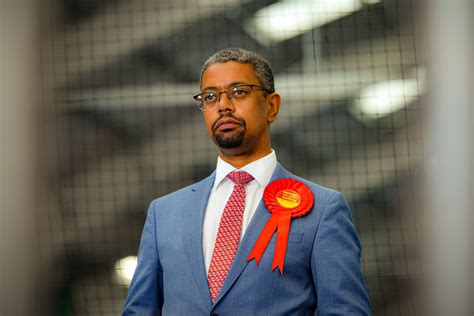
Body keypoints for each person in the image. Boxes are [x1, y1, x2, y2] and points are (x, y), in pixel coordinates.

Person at [122, 48, 371, 315]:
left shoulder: (324, 209)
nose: (223, 106)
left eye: (239, 92)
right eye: (209, 97)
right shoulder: (163, 213)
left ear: (272, 106)